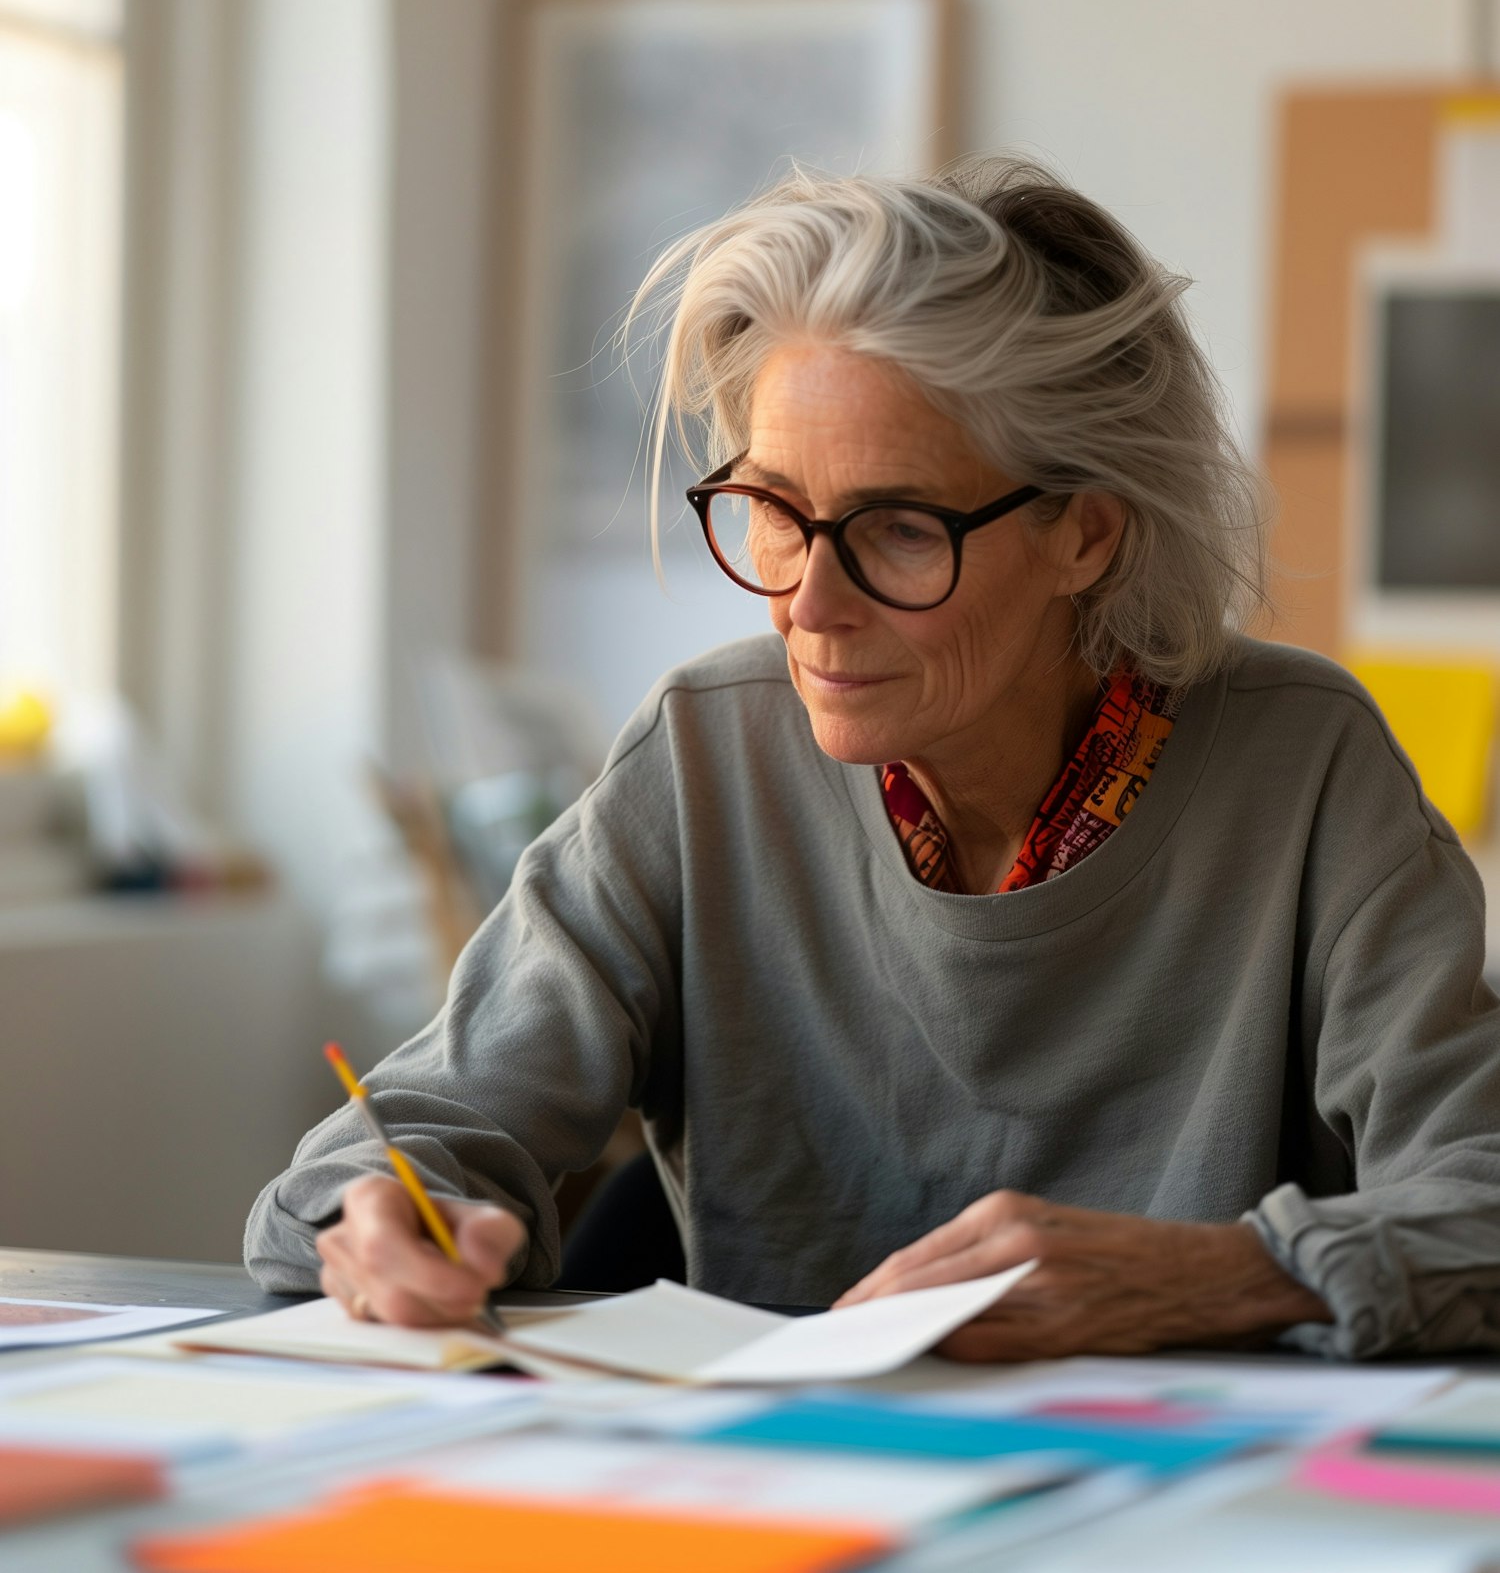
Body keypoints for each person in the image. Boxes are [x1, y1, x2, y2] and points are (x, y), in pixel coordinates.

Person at [246, 157, 1500, 1361]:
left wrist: (1206, 1277)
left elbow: (1480, 1195)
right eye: (775, 514)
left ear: (1089, 536)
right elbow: (384, 1152)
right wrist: (381, 1218)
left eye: (901, 529)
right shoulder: (706, 752)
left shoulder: (1305, 767)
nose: (809, 603)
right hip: (780, 1498)